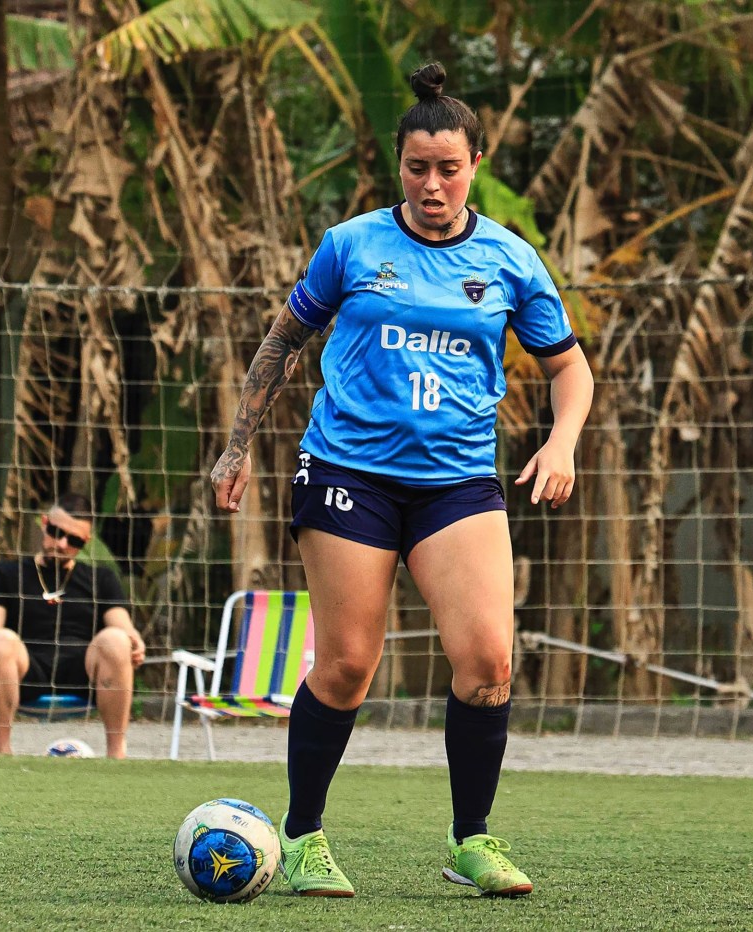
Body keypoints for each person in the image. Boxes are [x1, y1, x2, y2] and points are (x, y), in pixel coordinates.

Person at [211, 61, 593, 898]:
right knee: (347, 665)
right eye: (416, 168)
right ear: (399, 167)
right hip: (348, 472)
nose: (431, 184)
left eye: (447, 168)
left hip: (457, 479)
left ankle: (471, 842)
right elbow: (281, 344)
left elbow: (570, 369)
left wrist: (561, 443)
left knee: (488, 659)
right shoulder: (350, 245)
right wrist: (236, 448)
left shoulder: (509, 259)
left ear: (474, 166)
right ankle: (304, 835)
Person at [0, 493, 145, 759]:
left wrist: (133, 638)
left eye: (73, 540)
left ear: (85, 542)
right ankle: (2, 754)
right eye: (55, 532)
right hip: (25, 667)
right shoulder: (4, 573)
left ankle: (117, 756)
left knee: (116, 639)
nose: (61, 544)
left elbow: (122, 623)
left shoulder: (101, 578)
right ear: (44, 523)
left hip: (84, 671)